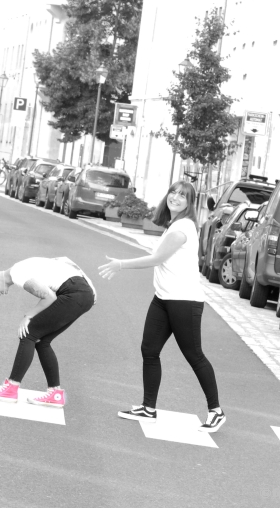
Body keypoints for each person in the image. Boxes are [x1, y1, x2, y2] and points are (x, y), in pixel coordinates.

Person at [98, 181, 224, 432]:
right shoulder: (174, 224)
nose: (175, 197)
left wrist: (120, 264)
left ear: (190, 202)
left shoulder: (183, 228)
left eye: (182, 195)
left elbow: (156, 259)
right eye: (173, 193)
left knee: (194, 355)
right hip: (163, 298)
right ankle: (148, 407)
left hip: (184, 301)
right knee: (149, 349)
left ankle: (216, 411)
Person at [0, 257, 96, 407]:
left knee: (28, 333)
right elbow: (64, 260)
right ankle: (55, 393)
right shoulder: (20, 266)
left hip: (75, 294)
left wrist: (28, 316)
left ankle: (11, 388)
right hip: (83, 294)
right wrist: (90, 290)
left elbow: (49, 297)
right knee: (42, 341)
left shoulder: (18, 273)